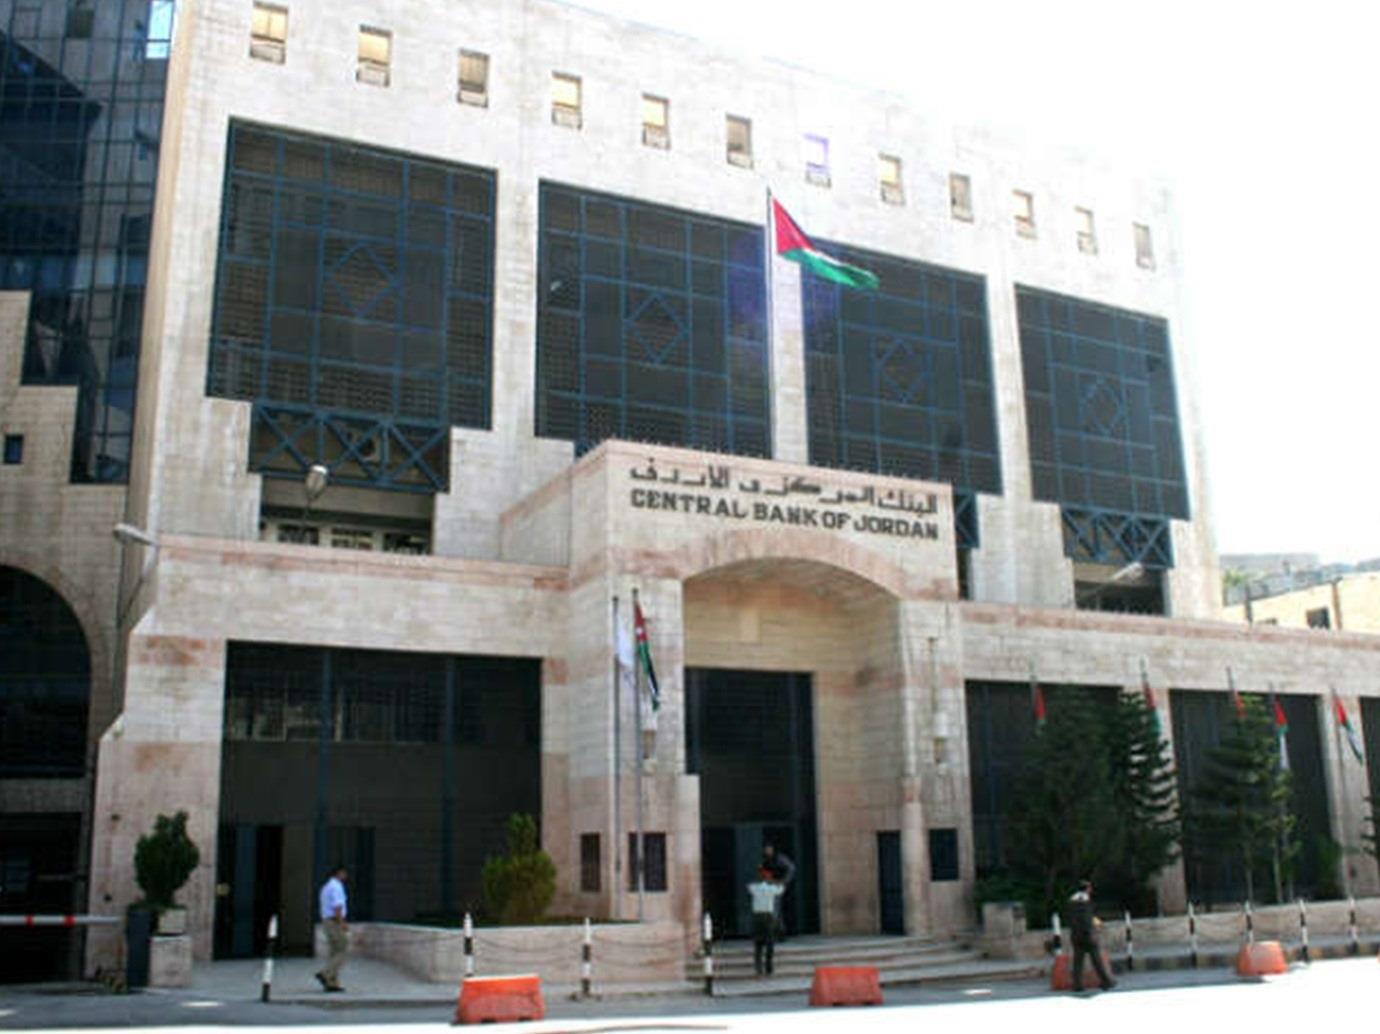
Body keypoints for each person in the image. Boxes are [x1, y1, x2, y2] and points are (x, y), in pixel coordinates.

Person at [1067, 879, 1115, 992]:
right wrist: (1093, 931)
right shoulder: (1086, 902)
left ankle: (1077, 985)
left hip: (1075, 935)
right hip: (1087, 935)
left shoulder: (1071, 902)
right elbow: (1087, 919)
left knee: (1078, 962)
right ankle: (1106, 981)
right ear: (1087, 889)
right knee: (1097, 960)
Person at [316, 865, 349, 992]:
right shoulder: (336, 887)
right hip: (334, 921)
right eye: (344, 873)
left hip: (326, 921)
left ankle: (332, 982)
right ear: (339, 873)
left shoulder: (326, 887)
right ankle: (326, 973)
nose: (345, 876)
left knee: (334, 951)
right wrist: (342, 923)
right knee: (342, 949)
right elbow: (337, 906)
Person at [747, 867, 785, 976]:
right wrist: (774, 882)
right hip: (768, 917)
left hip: (757, 917)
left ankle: (758, 967)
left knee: (758, 944)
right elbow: (781, 889)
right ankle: (769, 968)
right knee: (770, 943)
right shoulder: (772, 888)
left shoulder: (754, 887)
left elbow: (749, 887)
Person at [760, 844, 795, 938]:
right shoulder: (765, 860)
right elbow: (763, 872)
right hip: (768, 886)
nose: (768, 851)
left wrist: (783, 881)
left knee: (775, 908)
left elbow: (791, 868)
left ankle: (778, 931)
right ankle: (778, 930)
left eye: (769, 849)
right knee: (771, 909)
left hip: (778, 885)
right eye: (766, 849)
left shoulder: (779, 858)